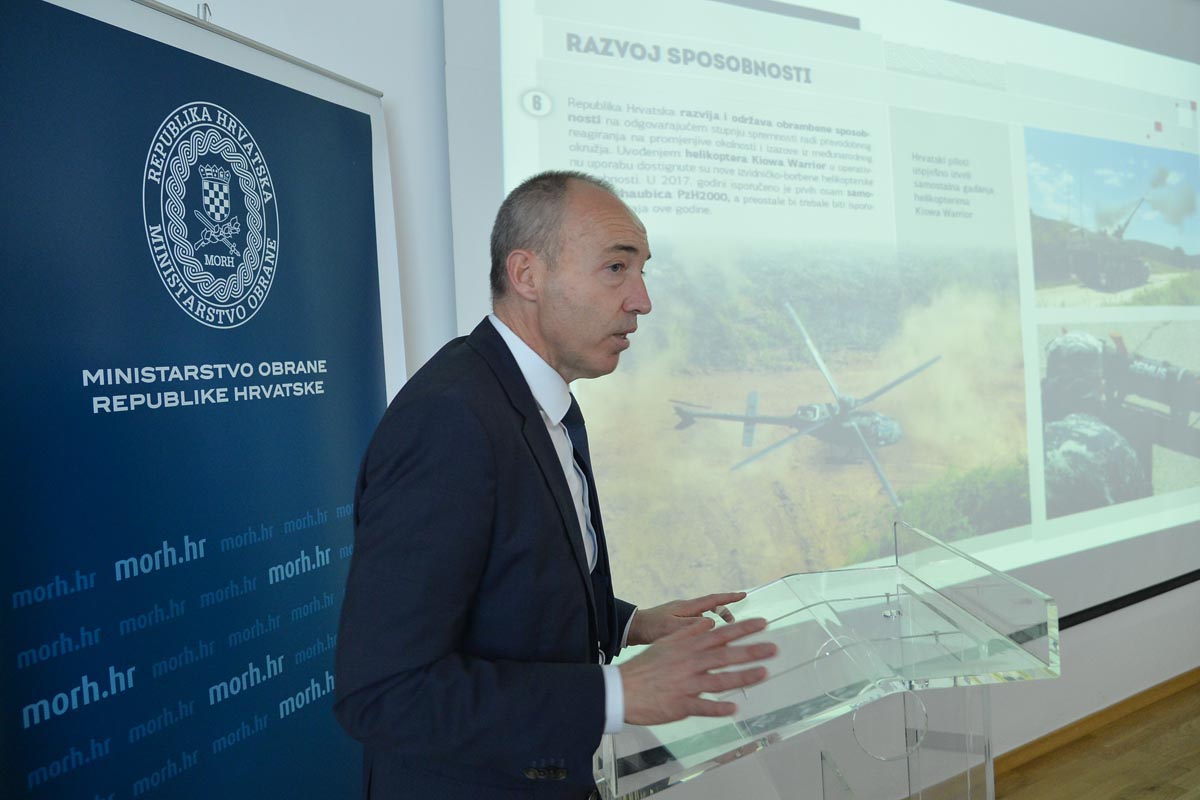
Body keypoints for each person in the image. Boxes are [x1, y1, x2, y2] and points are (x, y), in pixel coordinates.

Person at [334, 171, 777, 799]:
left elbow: (508, 590)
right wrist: (618, 692)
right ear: (527, 275)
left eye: (642, 270)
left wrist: (628, 624)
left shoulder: (537, 399)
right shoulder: (450, 419)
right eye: (616, 268)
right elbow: (384, 692)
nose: (642, 300)